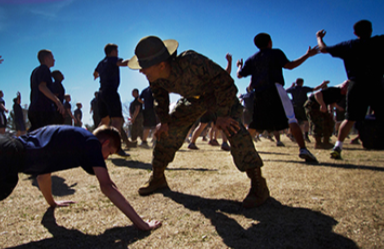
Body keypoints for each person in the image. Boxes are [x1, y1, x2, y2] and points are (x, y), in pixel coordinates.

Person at [0, 125, 162, 239]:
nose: (106, 158)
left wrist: (52, 203)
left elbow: (43, 174)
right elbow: (108, 186)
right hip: (1, 158)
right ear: (106, 143)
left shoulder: (69, 137)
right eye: (110, 153)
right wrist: (141, 224)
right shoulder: (91, 143)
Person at [128, 36, 270, 208]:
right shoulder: (155, 79)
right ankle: (157, 178)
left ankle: (258, 184)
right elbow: (160, 98)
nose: (141, 71)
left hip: (220, 97)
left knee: (233, 128)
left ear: (162, 65)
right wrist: (164, 121)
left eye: (144, 67)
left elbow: (225, 82)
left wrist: (223, 115)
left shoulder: (191, 61)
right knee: (168, 130)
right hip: (194, 100)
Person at [317, 5, 384, 161]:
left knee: (350, 118)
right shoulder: (380, 41)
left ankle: (338, 147)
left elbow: (323, 49)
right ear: (371, 31)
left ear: (355, 33)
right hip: (377, 83)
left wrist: (319, 38)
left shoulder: (348, 45)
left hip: (356, 84)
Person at [237, 33, 319, 163]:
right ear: (270, 42)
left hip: (259, 93)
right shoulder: (275, 53)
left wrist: (239, 66)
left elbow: (239, 75)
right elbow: (290, 66)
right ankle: (303, 149)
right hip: (275, 88)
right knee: (291, 119)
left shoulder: (252, 59)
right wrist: (307, 55)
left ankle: (240, 150)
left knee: (255, 124)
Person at [94, 43, 135, 156]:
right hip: (111, 92)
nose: (117, 53)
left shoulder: (101, 63)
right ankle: (116, 147)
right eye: (117, 51)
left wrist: (97, 76)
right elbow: (122, 63)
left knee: (104, 121)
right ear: (112, 52)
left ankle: (91, 144)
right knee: (117, 120)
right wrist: (135, 60)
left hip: (101, 93)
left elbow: (95, 73)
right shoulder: (113, 59)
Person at [304, 81, 348, 149]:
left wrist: (331, 111)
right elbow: (317, 94)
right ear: (343, 87)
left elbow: (332, 102)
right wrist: (322, 104)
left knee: (329, 122)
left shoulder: (342, 95)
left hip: (323, 105)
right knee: (317, 122)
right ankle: (318, 143)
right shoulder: (334, 90)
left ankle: (326, 142)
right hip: (313, 104)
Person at [29, 50, 64, 132]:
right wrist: (57, 101)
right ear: (46, 59)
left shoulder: (35, 71)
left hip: (34, 109)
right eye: (52, 58)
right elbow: (42, 87)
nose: (54, 60)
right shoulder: (44, 69)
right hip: (42, 110)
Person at [286, 78, 330, 142]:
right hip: (303, 106)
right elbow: (314, 89)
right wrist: (322, 84)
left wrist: (291, 86)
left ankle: (293, 135)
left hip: (295, 107)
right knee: (306, 121)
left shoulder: (293, 89)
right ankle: (305, 135)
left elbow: (285, 91)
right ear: (302, 83)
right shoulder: (304, 89)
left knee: (296, 122)